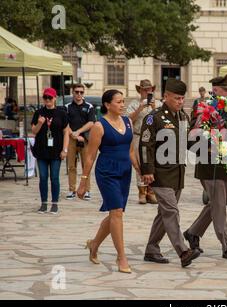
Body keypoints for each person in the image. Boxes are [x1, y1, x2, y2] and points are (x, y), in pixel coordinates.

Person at [139, 78, 201, 268]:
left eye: (182, 98)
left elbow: (187, 144)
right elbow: (145, 145)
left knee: (164, 213)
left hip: (177, 173)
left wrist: (205, 145)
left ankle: (151, 249)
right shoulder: (154, 117)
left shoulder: (183, 117)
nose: (180, 101)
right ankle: (183, 251)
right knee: (172, 211)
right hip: (159, 173)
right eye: (176, 98)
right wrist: (147, 170)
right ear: (165, 96)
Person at [77, 89, 138, 274]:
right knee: (117, 212)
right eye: (119, 102)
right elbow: (90, 156)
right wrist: (83, 181)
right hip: (107, 172)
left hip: (125, 172)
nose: (122, 105)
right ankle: (121, 257)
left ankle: (94, 244)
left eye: (123, 101)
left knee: (115, 214)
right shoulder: (99, 126)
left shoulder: (128, 121)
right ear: (107, 104)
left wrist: (140, 171)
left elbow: (131, 151)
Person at [183, 74, 227, 260]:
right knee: (219, 205)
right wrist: (209, 146)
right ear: (216, 90)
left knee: (217, 204)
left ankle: (193, 232)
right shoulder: (204, 109)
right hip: (210, 164)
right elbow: (191, 137)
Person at [31, 88, 69, 214]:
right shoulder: (39, 113)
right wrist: (40, 124)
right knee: (43, 177)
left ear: (55, 98)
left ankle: (55, 203)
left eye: (50, 98)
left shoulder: (61, 113)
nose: (47, 100)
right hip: (41, 150)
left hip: (56, 151)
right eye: (45, 97)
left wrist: (65, 149)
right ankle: (43, 203)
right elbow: (34, 131)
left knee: (54, 177)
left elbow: (66, 132)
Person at [127, 79, 161, 205]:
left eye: (149, 89)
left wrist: (153, 108)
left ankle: (151, 191)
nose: (148, 91)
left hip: (153, 137)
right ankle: (142, 191)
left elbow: (162, 118)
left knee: (153, 163)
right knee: (139, 163)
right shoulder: (135, 104)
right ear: (140, 90)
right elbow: (128, 119)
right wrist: (141, 108)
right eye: (145, 89)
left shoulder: (158, 103)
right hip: (138, 136)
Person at [65, 84, 96, 200]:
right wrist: (73, 134)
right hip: (71, 139)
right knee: (71, 166)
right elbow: (65, 123)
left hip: (85, 140)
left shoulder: (89, 106)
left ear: (84, 93)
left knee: (86, 165)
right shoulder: (67, 107)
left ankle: (86, 190)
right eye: (76, 92)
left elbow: (91, 122)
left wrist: (78, 132)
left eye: (81, 92)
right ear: (72, 92)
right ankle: (71, 190)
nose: (79, 94)